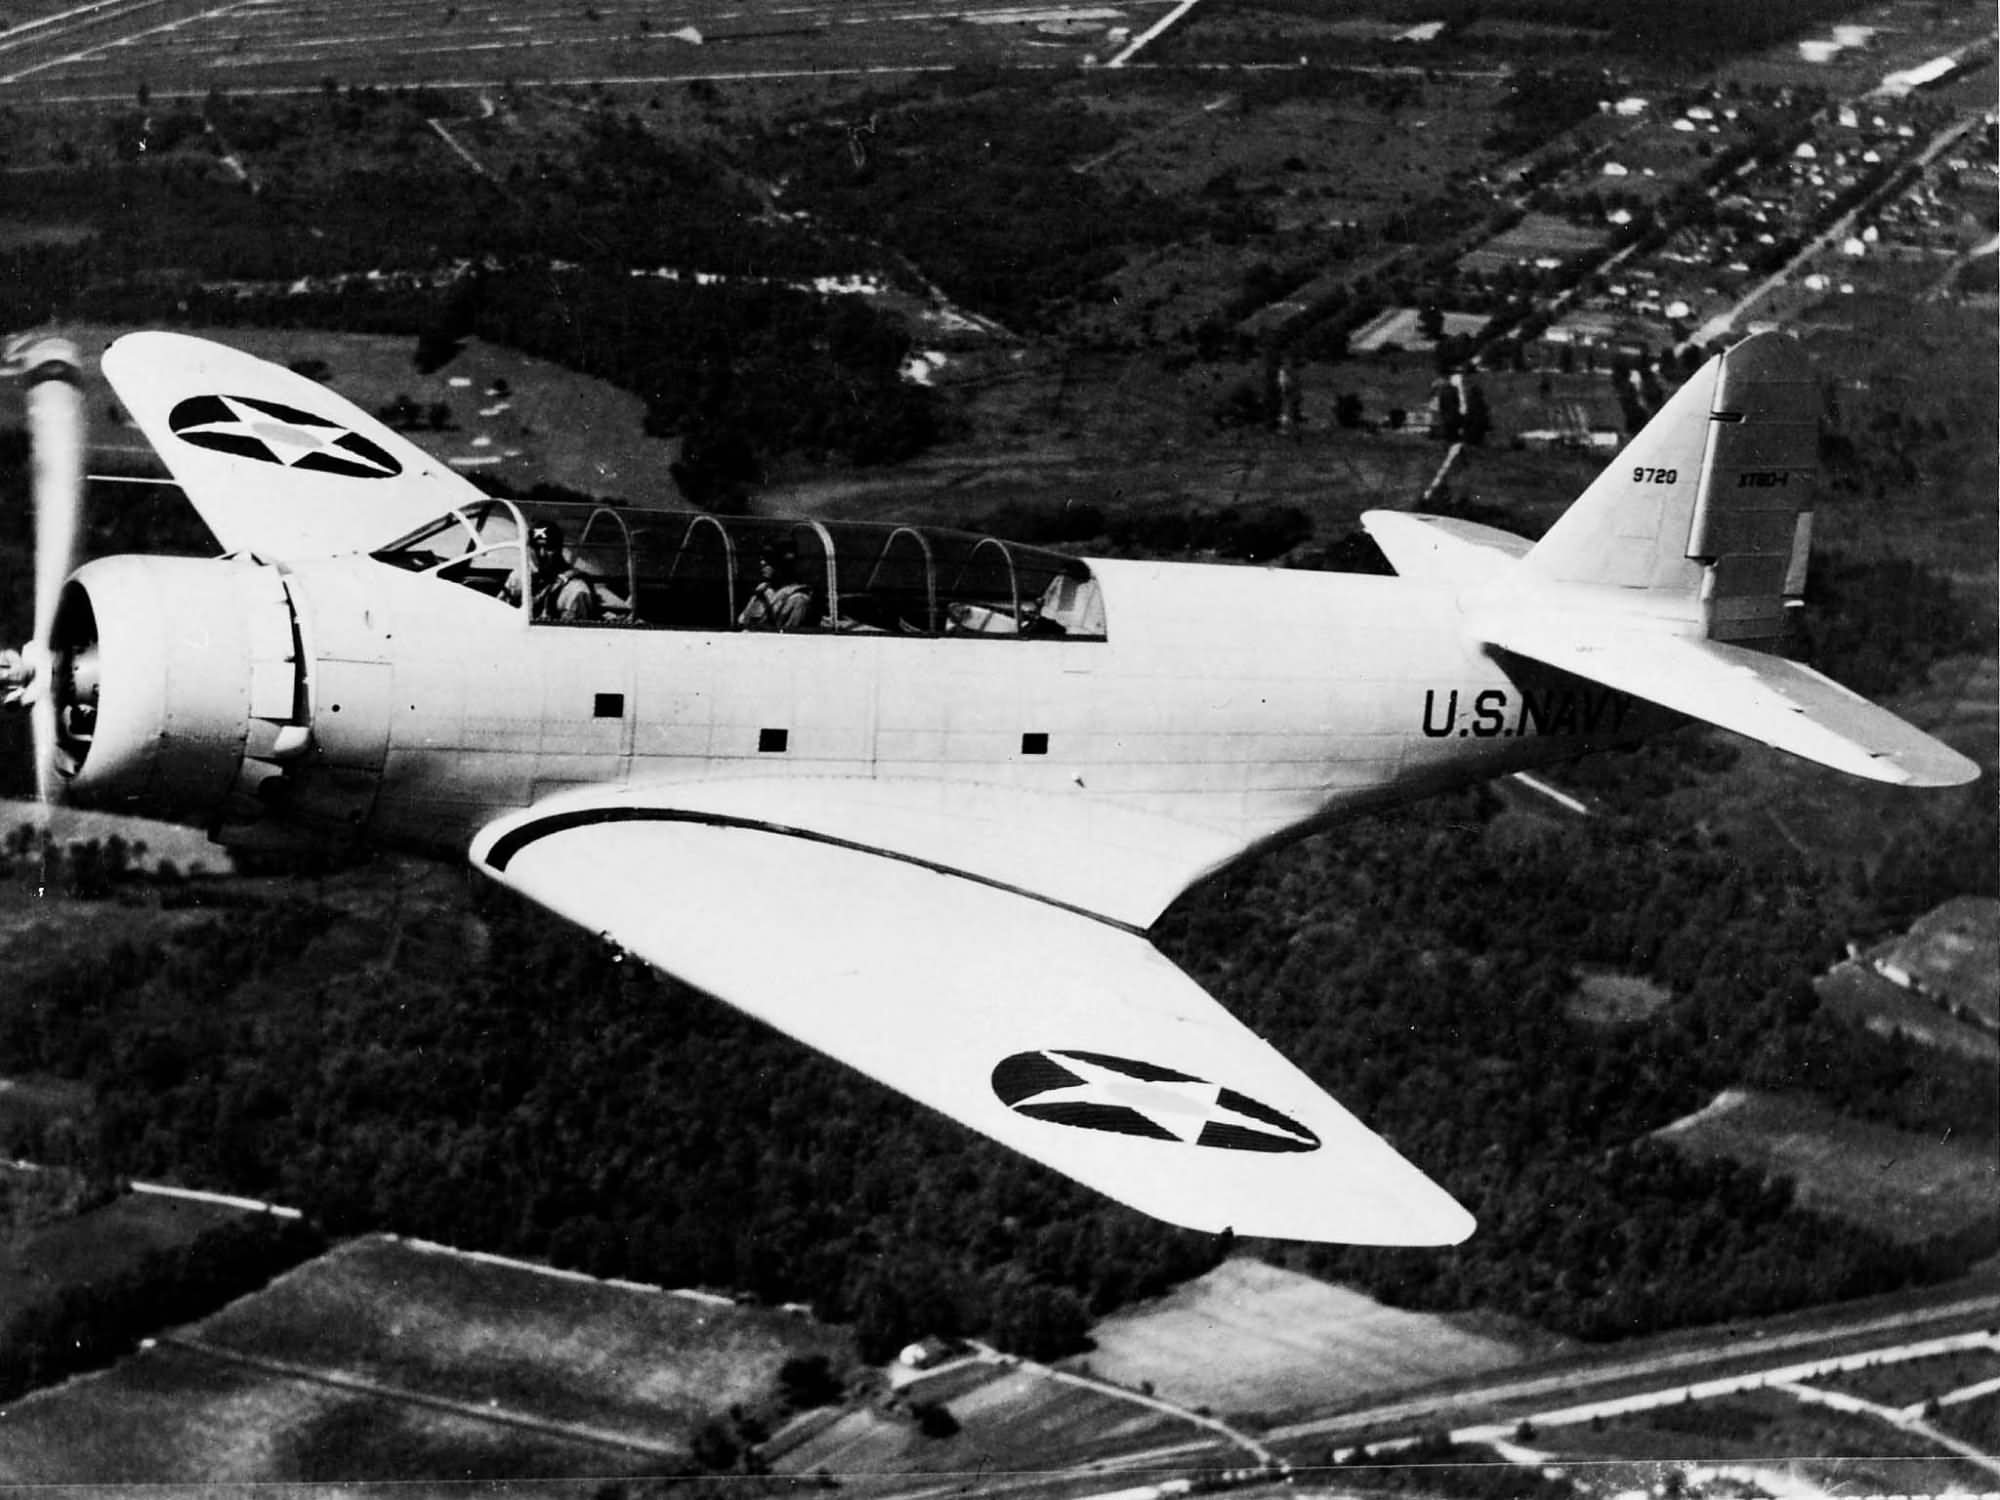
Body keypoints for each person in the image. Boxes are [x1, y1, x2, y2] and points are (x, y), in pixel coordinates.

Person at [737, 552, 813, 632]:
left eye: (767, 564)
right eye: (762, 565)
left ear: (780, 567)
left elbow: (790, 631)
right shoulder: (763, 589)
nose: (762, 567)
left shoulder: (799, 597)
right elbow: (743, 620)